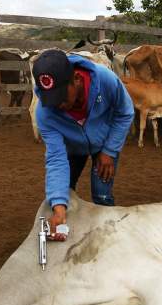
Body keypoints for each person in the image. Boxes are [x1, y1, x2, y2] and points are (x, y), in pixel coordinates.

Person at [33, 49, 134, 240]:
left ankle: (109, 239)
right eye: (52, 100)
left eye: (62, 97)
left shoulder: (105, 79)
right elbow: (56, 159)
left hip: (104, 143)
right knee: (64, 193)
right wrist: (59, 208)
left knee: (102, 194)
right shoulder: (45, 113)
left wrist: (109, 151)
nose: (59, 106)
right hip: (71, 147)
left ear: (77, 79)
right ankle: (64, 222)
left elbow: (125, 112)